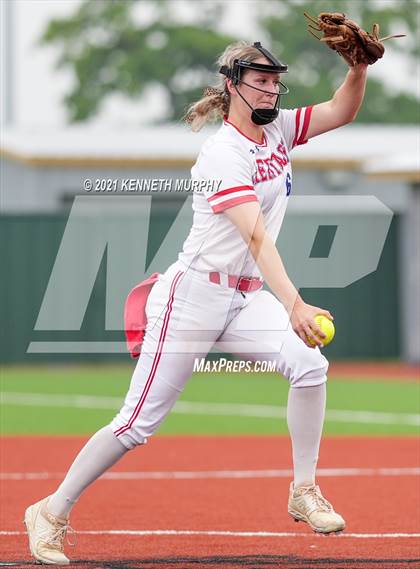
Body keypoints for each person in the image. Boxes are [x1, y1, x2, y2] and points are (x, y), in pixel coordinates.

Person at [24, 40, 368, 564]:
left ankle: (303, 490)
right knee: (138, 423)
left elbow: (342, 109)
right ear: (232, 84)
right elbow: (255, 237)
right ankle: (50, 511)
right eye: (260, 79)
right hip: (194, 297)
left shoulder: (277, 130)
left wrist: (358, 68)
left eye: (276, 80)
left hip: (246, 299)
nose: (271, 87)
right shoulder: (221, 154)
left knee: (309, 365)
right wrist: (296, 304)